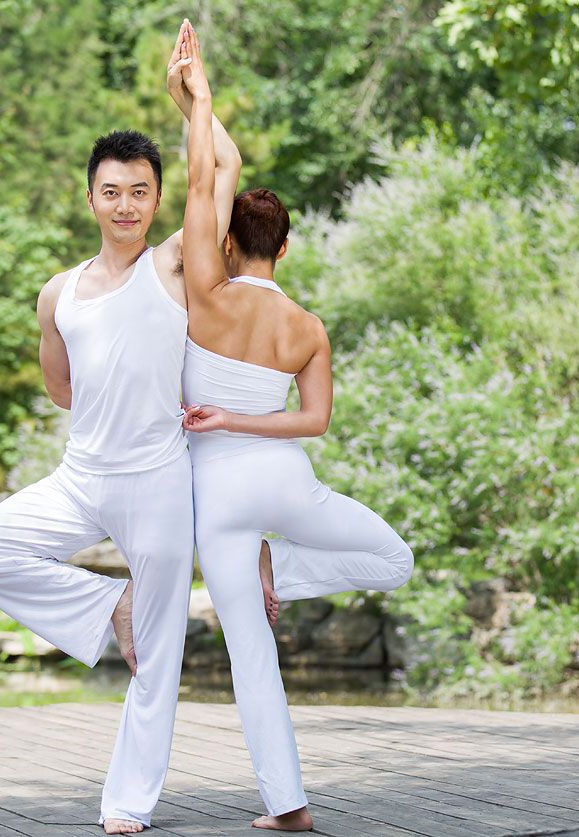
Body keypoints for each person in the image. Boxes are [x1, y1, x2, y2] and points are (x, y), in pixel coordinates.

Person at [0, 20, 242, 835]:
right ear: (90, 197)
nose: (125, 204)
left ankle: (126, 805)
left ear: (154, 197)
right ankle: (102, 605)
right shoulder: (58, 293)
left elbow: (224, 167)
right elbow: (61, 386)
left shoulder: (176, 262)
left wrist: (194, 98)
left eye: (139, 191)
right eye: (110, 191)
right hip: (83, 476)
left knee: (159, 655)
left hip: (157, 481)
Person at [171, 22, 415, 832]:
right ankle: (288, 566)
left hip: (216, 498)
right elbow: (313, 419)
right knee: (392, 557)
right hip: (284, 485)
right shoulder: (307, 326)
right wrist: (252, 416)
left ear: (231, 240)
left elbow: (203, 174)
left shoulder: (204, 292)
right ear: (286, 245)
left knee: (252, 657)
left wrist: (196, 100)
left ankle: (289, 808)